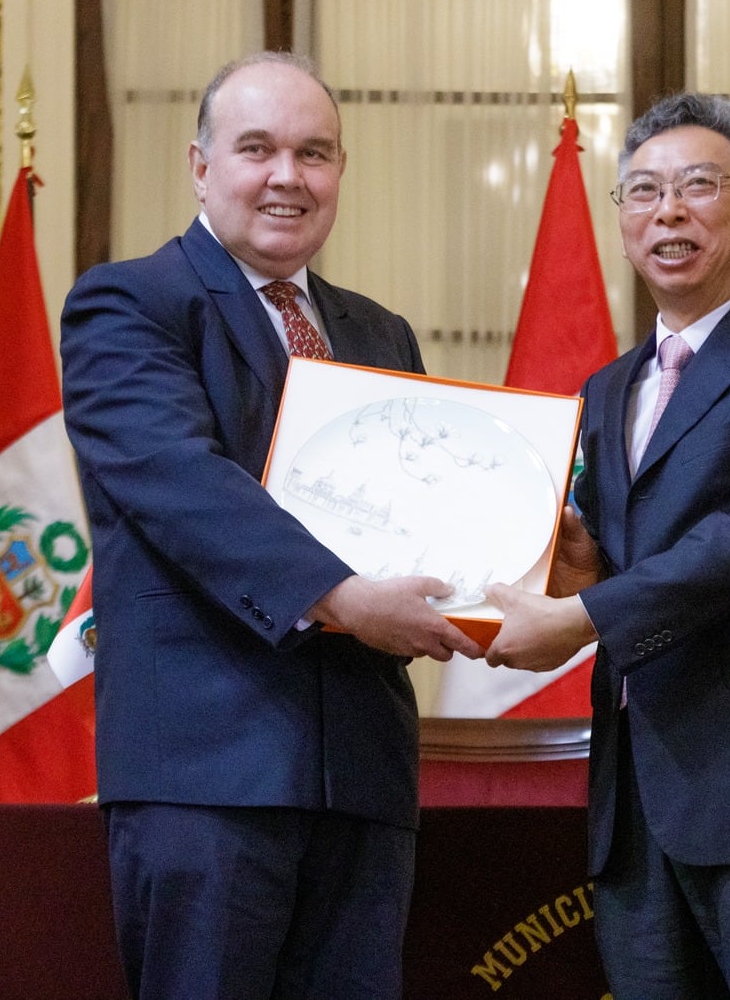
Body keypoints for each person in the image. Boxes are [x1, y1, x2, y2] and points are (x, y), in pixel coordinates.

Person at [60, 51, 483, 1000]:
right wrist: (344, 597)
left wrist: (520, 563)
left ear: (340, 172)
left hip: (363, 777)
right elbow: (184, 484)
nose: (288, 175)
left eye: (314, 152)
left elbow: (427, 508)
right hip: (206, 774)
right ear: (200, 166)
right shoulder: (129, 303)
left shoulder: (379, 332)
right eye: (257, 148)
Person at [486, 92, 730, 999]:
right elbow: (634, 560)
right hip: (634, 799)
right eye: (642, 191)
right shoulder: (605, 387)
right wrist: (583, 569)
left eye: (698, 186)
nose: (667, 211)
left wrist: (582, 616)